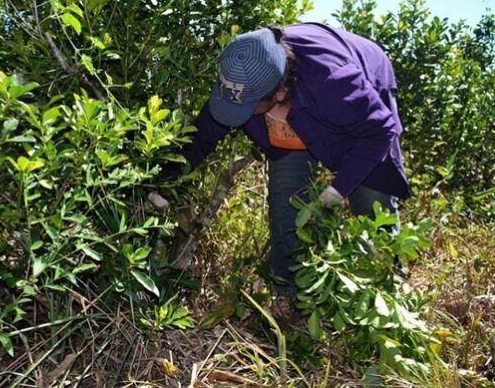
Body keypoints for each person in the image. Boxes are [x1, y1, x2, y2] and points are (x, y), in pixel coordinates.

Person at [158, 23, 409, 296]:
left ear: (278, 94)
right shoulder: (241, 71)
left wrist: (338, 189)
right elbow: (203, 136)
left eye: (246, 107)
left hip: (363, 82)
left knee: (371, 195)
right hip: (300, 102)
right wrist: (165, 181)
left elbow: (380, 131)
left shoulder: (333, 81)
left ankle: (388, 286)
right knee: (286, 198)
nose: (235, 112)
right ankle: (285, 290)